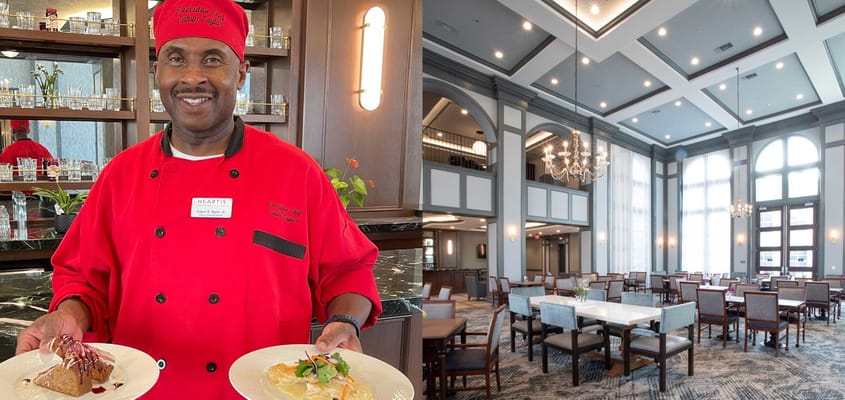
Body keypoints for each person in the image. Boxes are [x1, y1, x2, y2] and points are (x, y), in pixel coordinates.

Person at [15, 0, 382, 398]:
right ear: (157, 72)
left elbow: (347, 270)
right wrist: (68, 314)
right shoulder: (120, 177)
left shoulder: (297, 173)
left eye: (212, 59)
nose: (192, 78)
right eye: (176, 58)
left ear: (241, 72)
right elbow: (84, 280)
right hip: (144, 392)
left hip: (262, 392)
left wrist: (345, 321)